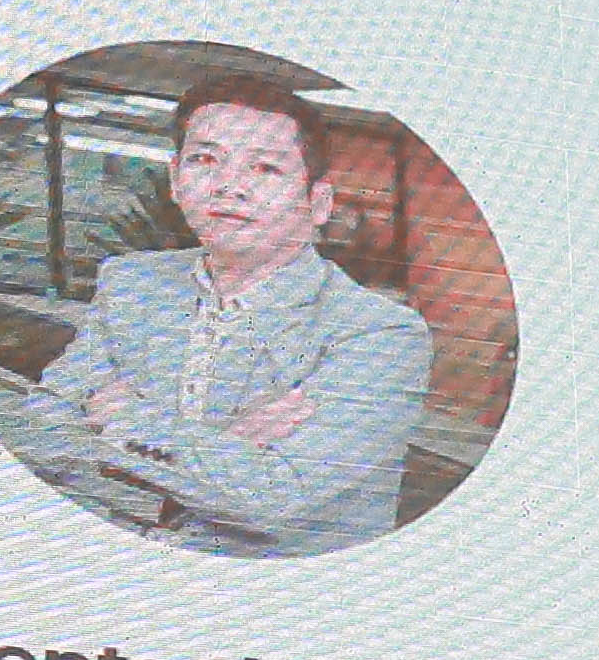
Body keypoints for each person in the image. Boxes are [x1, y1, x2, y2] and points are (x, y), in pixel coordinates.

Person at [34, 78, 434, 553]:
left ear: (318, 203)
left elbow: (273, 496)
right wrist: (226, 443)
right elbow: (41, 426)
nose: (229, 186)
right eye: (206, 160)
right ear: (176, 180)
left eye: (265, 168)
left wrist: (123, 418)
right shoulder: (131, 284)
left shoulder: (379, 333)